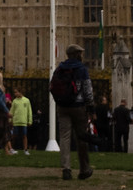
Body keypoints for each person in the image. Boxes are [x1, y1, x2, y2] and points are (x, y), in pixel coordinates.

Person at [51, 44, 93, 180]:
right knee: (81, 138)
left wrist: (60, 101)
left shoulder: (60, 69)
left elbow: (53, 86)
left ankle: (66, 168)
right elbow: (87, 89)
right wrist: (90, 106)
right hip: (78, 107)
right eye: (80, 53)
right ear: (77, 55)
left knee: (64, 137)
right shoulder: (81, 69)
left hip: (62, 107)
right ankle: (84, 169)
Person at [9, 87, 33, 153]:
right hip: (16, 121)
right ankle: (12, 149)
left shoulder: (27, 100)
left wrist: (30, 120)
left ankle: (25, 149)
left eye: (16, 92)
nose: (15, 94)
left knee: (24, 136)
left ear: (20, 92)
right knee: (14, 136)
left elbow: (29, 111)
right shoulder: (14, 101)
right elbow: (12, 111)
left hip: (24, 122)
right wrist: (10, 120)